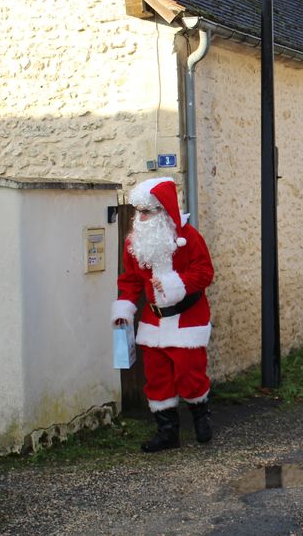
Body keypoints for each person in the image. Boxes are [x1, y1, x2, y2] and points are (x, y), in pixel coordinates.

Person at [110, 177, 215, 451]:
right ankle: (167, 433)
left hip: (187, 319)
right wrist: (125, 307)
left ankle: (201, 418)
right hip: (153, 321)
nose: (140, 218)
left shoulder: (189, 237)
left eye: (146, 212)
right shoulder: (134, 243)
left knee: (190, 376)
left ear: (163, 211)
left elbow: (205, 273)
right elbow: (131, 280)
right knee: (157, 379)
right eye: (138, 212)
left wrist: (173, 284)